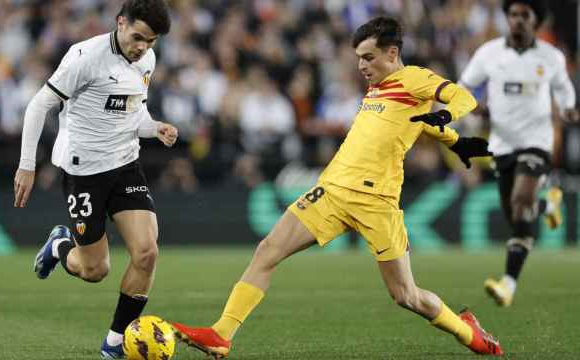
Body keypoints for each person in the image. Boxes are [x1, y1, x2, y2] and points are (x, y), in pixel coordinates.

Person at [171, 17, 503, 358]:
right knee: (268, 250)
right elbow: (416, 124)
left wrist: (448, 121)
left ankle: (468, 332)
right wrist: (454, 142)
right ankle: (221, 334)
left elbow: (463, 97)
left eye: (369, 57)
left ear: (392, 52)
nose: (361, 65)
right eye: (358, 57)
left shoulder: (414, 78)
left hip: (377, 201)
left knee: (406, 295)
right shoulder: (378, 87)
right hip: (333, 191)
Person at [13, 1, 178, 358]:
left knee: (147, 252)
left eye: (151, 42)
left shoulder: (146, 60)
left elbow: (134, 111)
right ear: (120, 23)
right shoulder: (84, 57)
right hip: (84, 172)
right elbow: (39, 105)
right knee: (94, 270)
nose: (143, 48)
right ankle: (61, 246)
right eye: (138, 38)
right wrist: (27, 165)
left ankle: (115, 342)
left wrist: (154, 127)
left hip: (125, 163)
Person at [459, 0, 578, 307]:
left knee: (520, 200)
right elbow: (464, 86)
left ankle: (508, 284)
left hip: (536, 140)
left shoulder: (550, 56)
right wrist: (473, 110)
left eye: (525, 15)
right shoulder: (489, 54)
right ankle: (550, 198)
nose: (518, 20)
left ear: (535, 21)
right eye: (513, 14)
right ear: (507, 18)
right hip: (502, 144)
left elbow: (564, 89)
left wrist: (568, 109)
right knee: (518, 219)